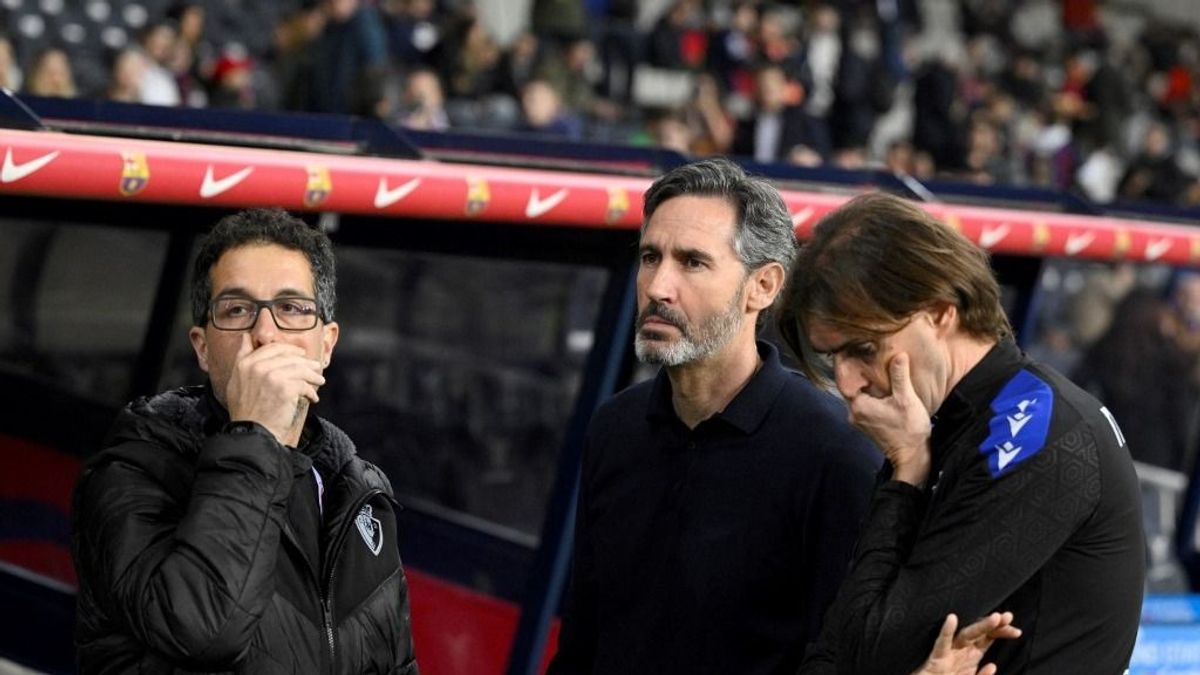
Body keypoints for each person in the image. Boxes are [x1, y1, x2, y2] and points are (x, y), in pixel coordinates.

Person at [778, 192, 1144, 674]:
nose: (847, 384)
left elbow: (871, 651)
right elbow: (835, 653)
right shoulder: (941, 421)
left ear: (939, 311)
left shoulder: (1035, 429)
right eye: (832, 358)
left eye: (863, 349)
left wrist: (908, 470)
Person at [546, 158, 883, 675]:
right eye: (650, 257)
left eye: (693, 262)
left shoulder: (836, 454)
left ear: (763, 286)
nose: (658, 286)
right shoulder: (615, 427)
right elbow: (583, 641)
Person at [71, 209, 418, 674]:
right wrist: (257, 432)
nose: (265, 334)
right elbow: (204, 632)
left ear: (326, 345)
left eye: (292, 308)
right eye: (237, 310)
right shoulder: (131, 472)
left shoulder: (358, 491)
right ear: (202, 348)